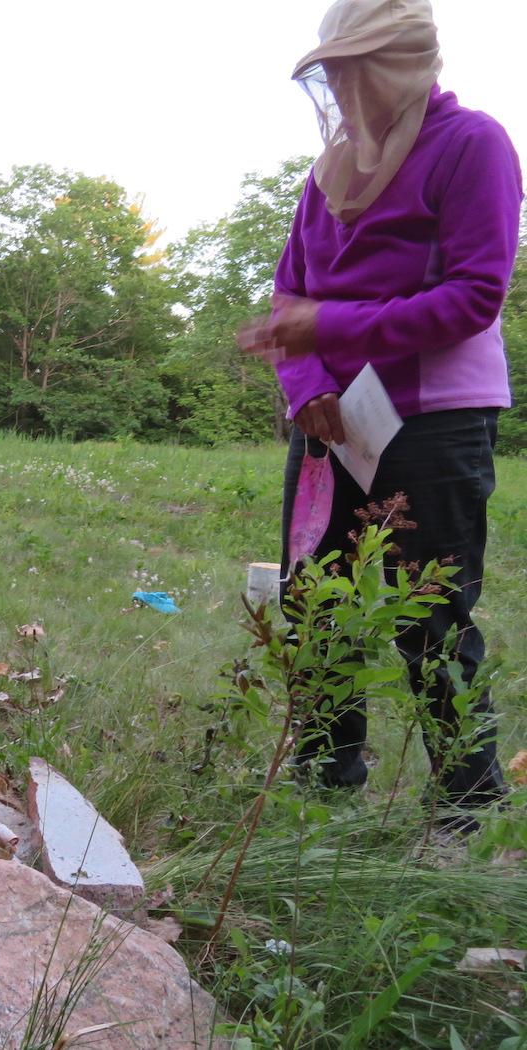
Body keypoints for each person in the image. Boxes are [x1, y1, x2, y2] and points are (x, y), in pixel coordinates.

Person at [240, 0, 519, 825]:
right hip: (332, 424)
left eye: (354, 67)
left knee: (430, 611)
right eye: (331, 70)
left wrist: (329, 325)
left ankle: (466, 805)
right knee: (314, 602)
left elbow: (473, 296)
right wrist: (309, 385)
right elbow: (291, 296)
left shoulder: (474, 146)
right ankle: (326, 788)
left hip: (433, 416)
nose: (341, 86)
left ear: (399, 64)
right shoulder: (325, 179)